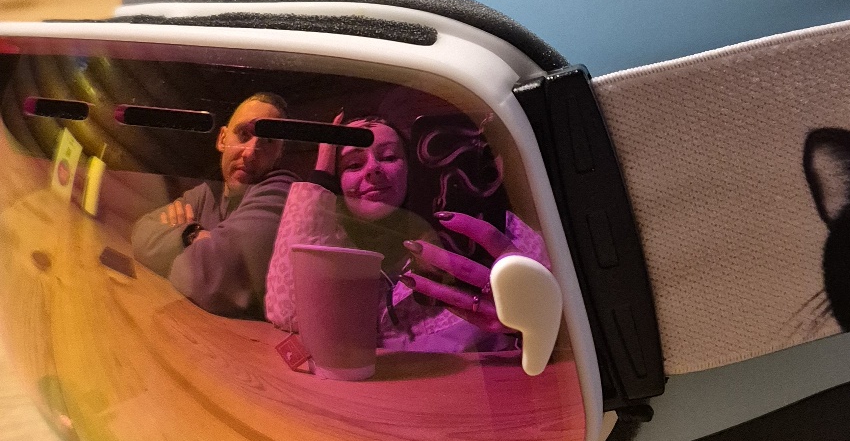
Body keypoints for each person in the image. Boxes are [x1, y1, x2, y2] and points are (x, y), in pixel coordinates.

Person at [265, 103, 547, 354]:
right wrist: (322, 171)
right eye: (353, 164)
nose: (373, 169)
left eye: (389, 157)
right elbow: (289, 313)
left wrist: (529, 321)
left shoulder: (482, 230)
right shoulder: (333, 248)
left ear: (412, 170)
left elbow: (556, 312)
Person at [132, 93, 294, 317]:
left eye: (268, 142)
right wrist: (193, 235)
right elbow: (141, 232)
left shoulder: (282, 192)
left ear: (279, 154)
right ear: (222, 139)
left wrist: (173, 243)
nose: (250, 153)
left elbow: (210, 281)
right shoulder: (208, 192)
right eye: (243, 134)